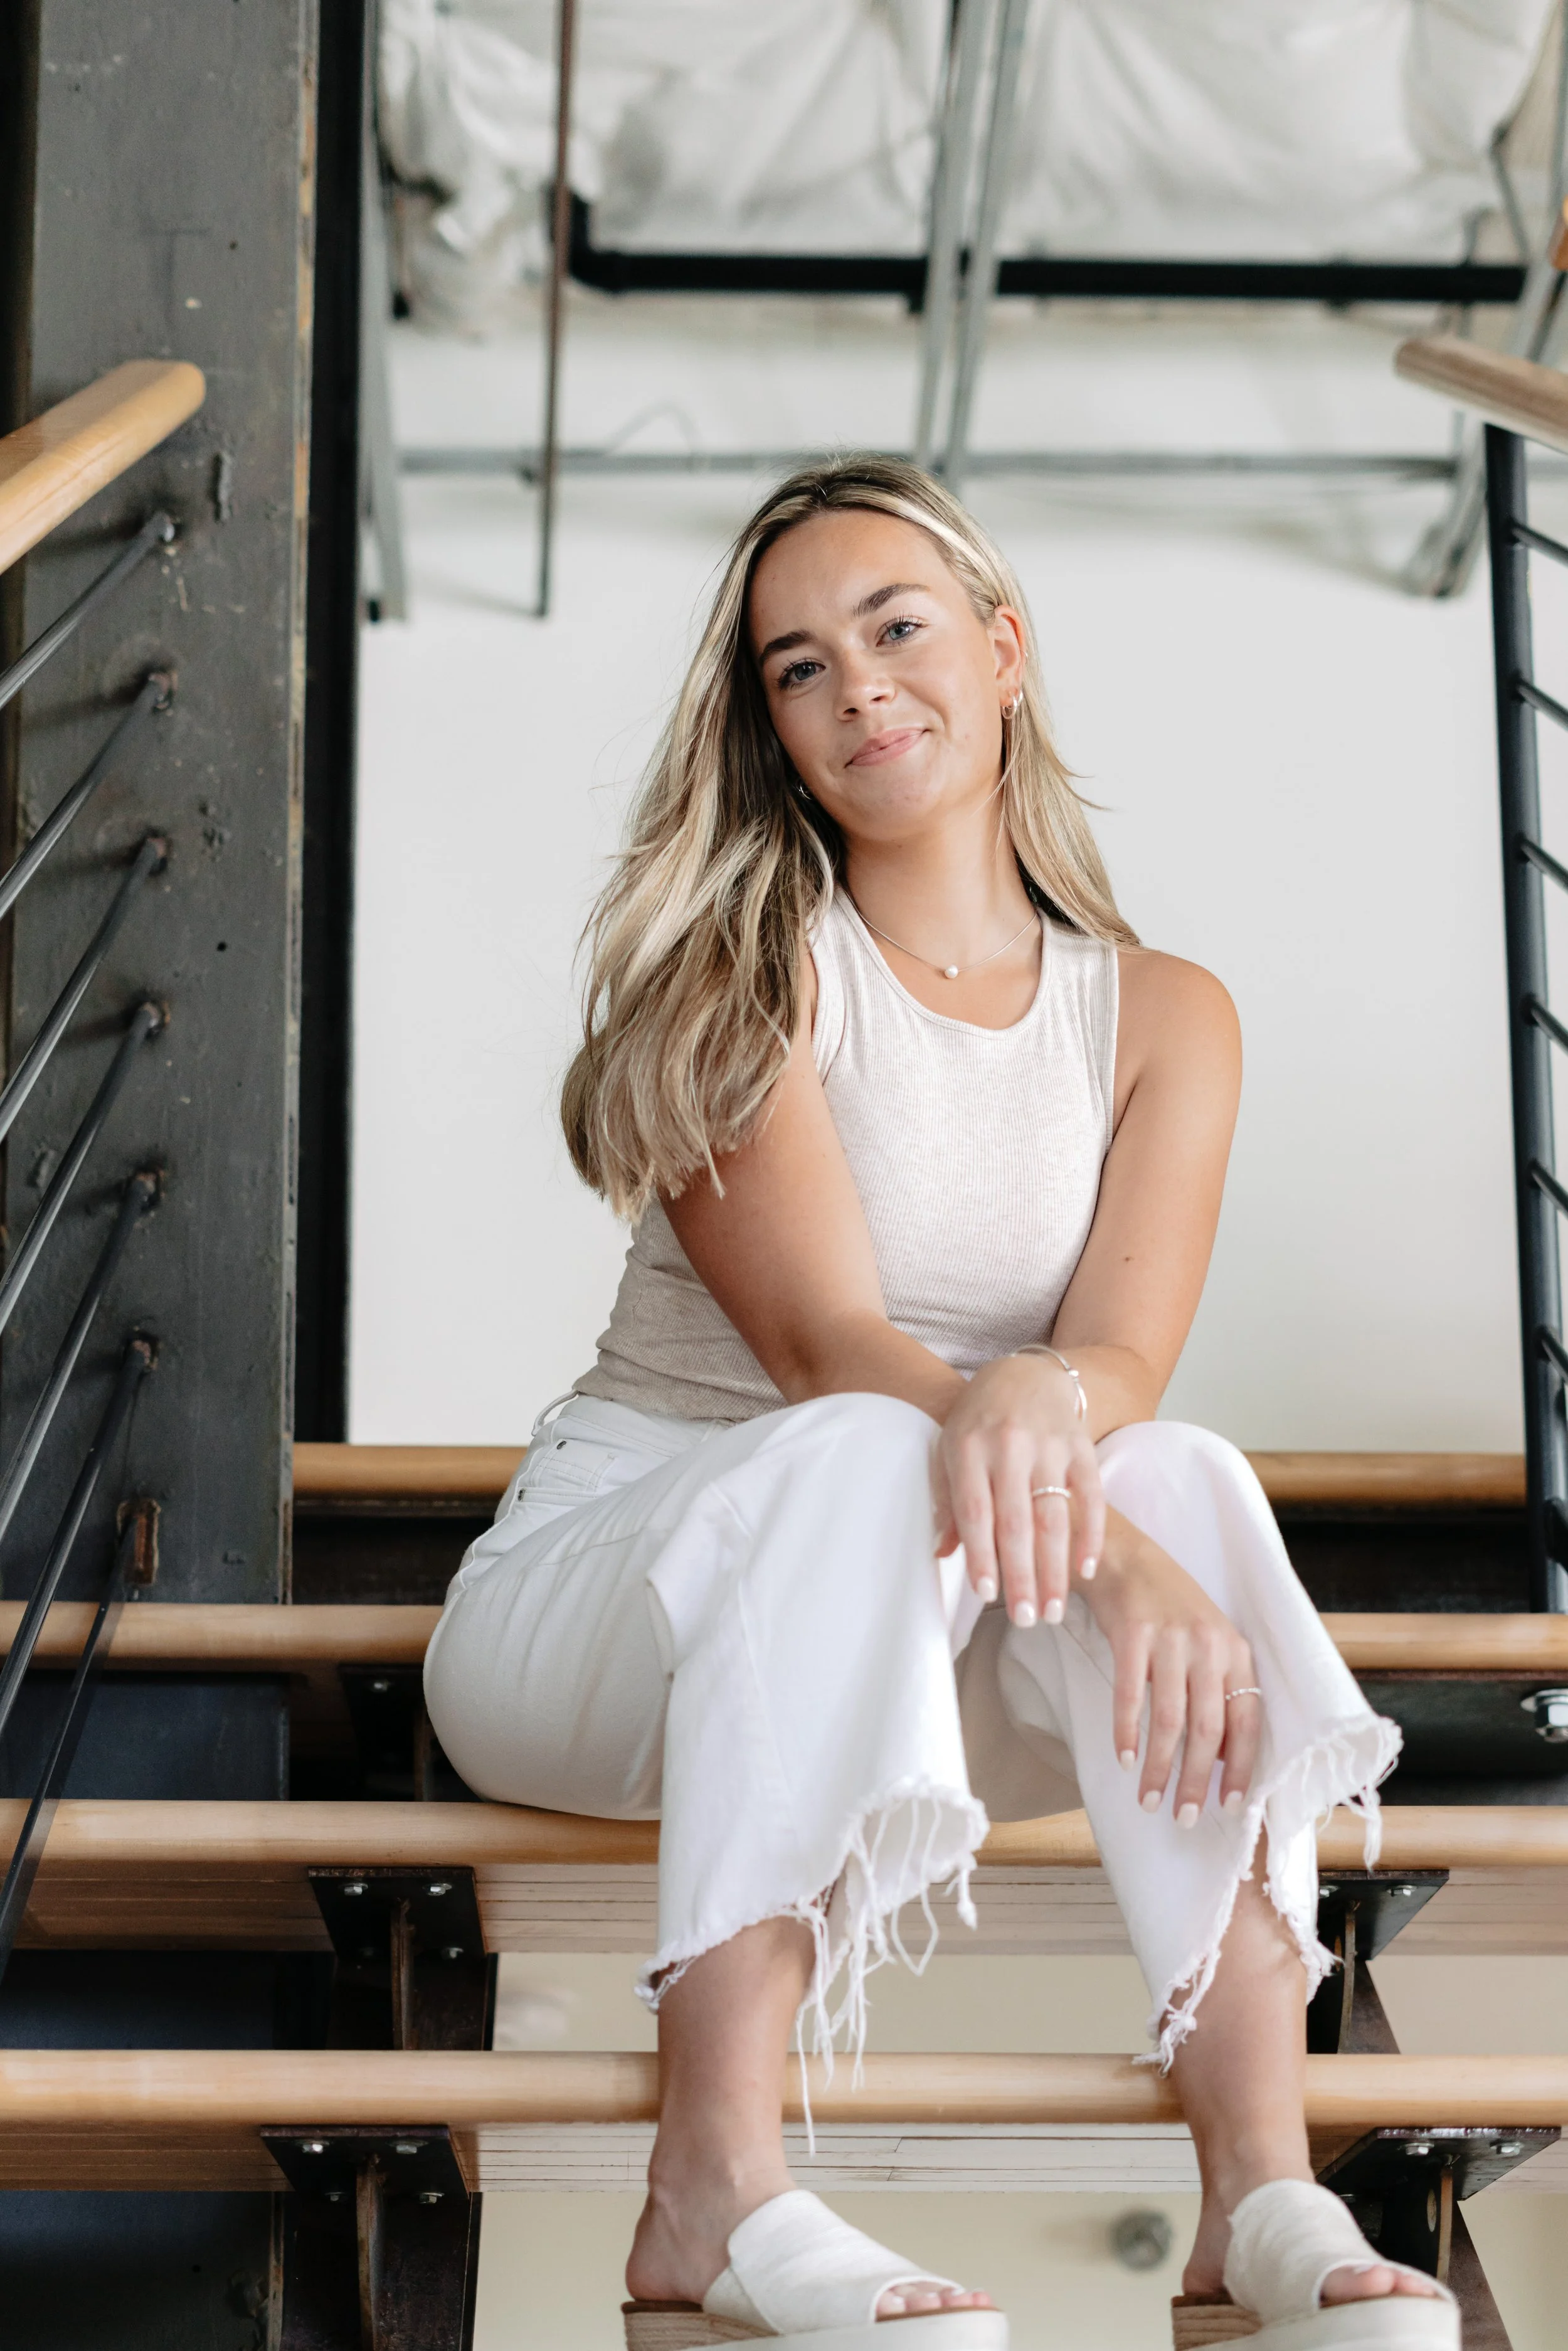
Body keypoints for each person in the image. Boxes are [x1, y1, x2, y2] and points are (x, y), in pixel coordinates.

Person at [425, 458, 1455, 2351]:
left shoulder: (1160, 1012)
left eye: (895, 630)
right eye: (798, 666)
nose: (858, 689)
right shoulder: (735, 975)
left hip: (934, 1628)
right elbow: (830, 1346)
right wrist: (1097, 1531)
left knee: (1181, 1457)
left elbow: (1116, 1365)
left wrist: (1106, 1496)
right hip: (606, 1613)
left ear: (1000, 651)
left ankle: (1257, 2183)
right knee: (870, 1440)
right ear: (774, 726)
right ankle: (709, 2183)